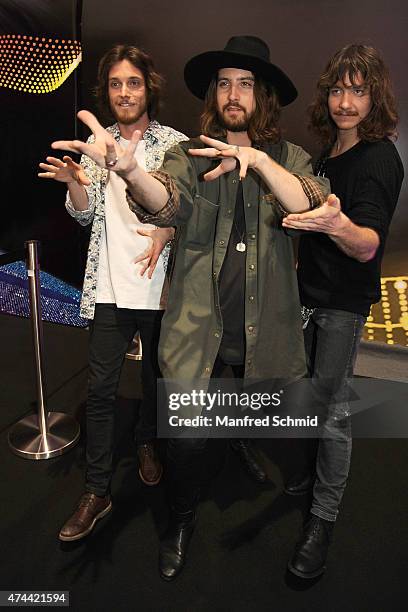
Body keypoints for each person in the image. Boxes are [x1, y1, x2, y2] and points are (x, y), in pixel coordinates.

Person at [51, 35, 329, 578]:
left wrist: (255, 161)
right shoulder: (186, 154)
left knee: (256, 413)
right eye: (224, 83)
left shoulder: (289, 157)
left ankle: (239, 442)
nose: (233, 93)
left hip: (260, 330)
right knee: (185, 437)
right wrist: (131, 173)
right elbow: (166, 199)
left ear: (263, 95)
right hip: (197, 327)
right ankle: (180, 518)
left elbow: (308, 200)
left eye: (245, 84)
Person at [39, 44, 187, 542]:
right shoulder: (96, 140)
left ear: (149, 88)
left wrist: (168, 231)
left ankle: (147, 440)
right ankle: (97, 490)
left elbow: (186, 210)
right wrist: (76, 182)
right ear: (109, 92)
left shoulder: (173, 143)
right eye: (117, 84)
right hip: (109, 286)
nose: (125, 92)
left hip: (160, 286)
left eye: (134, 82)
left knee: (153, 382)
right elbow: (84, 214)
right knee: (100, 391)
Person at [282, 44, 404, 578]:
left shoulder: (379, 156)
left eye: (358, 90)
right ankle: (309, 478)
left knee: (332, 413)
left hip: (342, 307)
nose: (346, 102)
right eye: (338, 89)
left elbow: (369, 244)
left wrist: (336, 226)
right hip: (308, 297)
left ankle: (322, 518)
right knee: (310, 394)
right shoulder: (329, 153)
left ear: (375, 97)